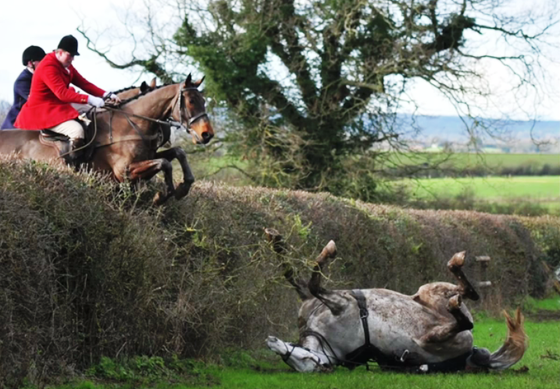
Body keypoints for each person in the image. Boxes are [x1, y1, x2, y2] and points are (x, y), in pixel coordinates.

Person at [14, 35, 121, 159]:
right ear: (59, 52)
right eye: (70, 55)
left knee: (97, 112)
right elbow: (62, 93)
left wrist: (105, 94)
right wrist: (90, 99)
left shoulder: (65, 64)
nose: (72, 59)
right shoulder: (47, 67)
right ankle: (75, 166)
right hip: (43, 111)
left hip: (56, 105)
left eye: (73, 56)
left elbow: (83, 83)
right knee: (77, 131)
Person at [1, 45, 46, 129]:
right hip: (15, 126)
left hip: (30, 121)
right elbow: (36, 100)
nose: (44, 63)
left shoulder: (39, 76)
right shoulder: (23, 81)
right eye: (41, 61)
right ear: (30, 63)